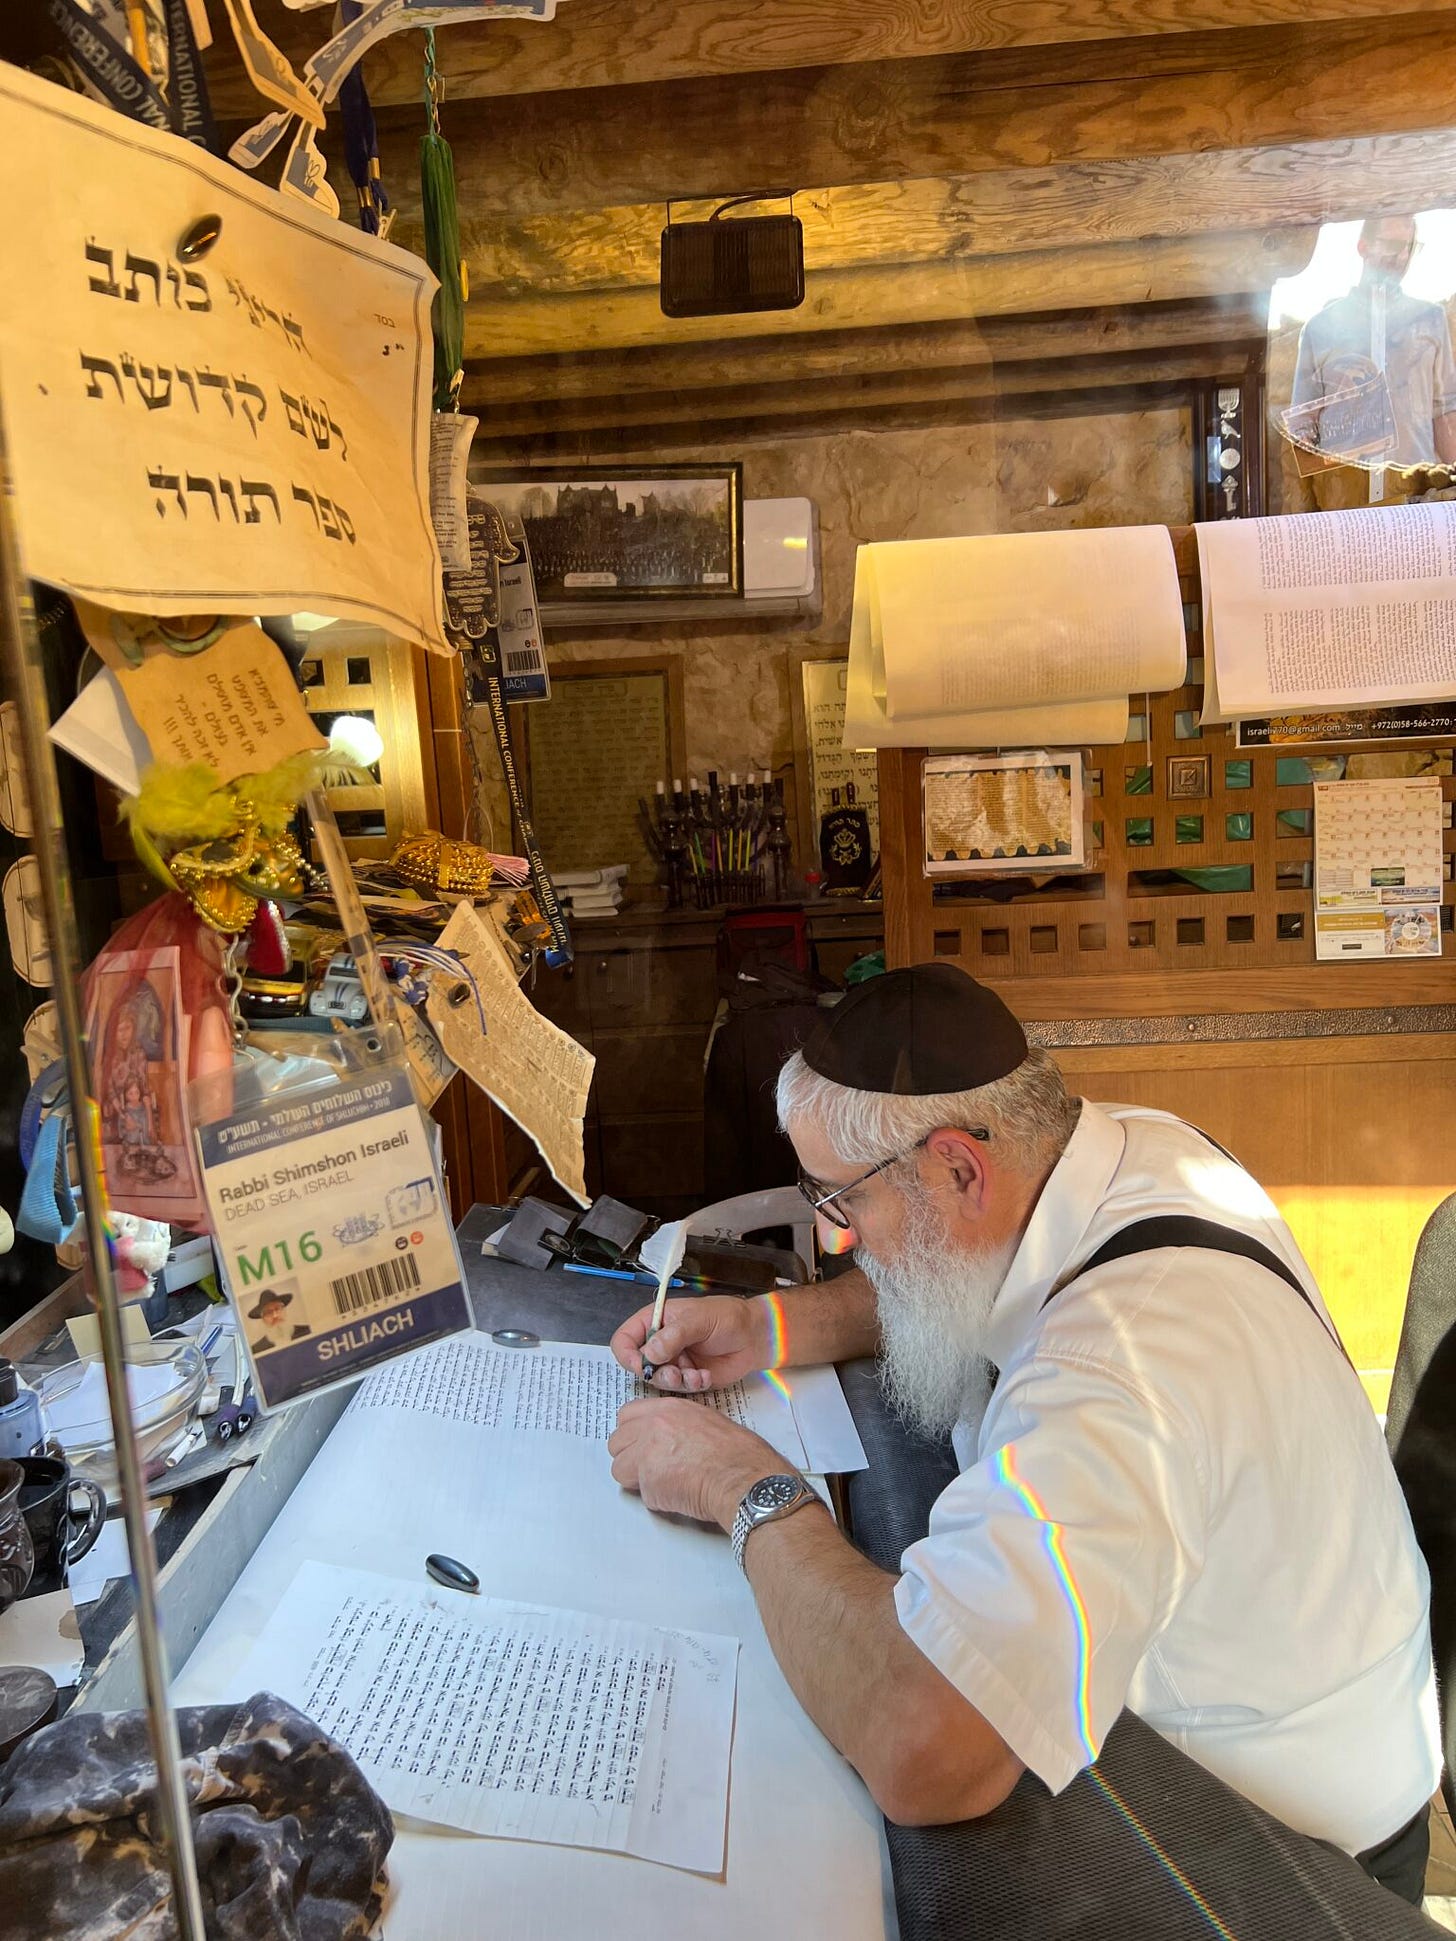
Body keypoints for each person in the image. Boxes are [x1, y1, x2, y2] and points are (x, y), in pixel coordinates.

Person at [607, 964, 1441, 1903]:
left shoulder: (1119, 1369)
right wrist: (774, 1328)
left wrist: (743, 1482)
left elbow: (926, 1747)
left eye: (842, 1200)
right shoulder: (1122, 1148)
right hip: (1294, 1708)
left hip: (1291, 1854)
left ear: (961, 1165)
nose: (835, 1238)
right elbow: (951, 1275)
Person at [1290, 214, 1456, 473]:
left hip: (1414, 492)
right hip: (1346, 494)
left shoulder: (1430, 320)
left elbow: (1444, 410)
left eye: (1409, 247)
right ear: (1362, 247)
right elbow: (1303, 422)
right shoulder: (1320, 328)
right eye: (1391, 246)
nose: (1401, 257)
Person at [248, 1288, 310, 1353]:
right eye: (268, 1312)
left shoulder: (307, 1331)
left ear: (285, 1310)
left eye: (278, 1309)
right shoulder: (257, 1349)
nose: (275, 1316)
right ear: (263, 1319)